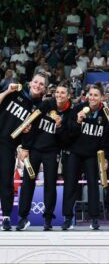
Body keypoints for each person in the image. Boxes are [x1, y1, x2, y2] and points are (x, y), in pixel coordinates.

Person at [16, 82, 72, 231]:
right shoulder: (46, 104)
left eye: (62, 93)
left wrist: (59, 127)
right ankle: (22, 217)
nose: (59, 95)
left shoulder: (69, 113)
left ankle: (48, 219)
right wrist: (25, 147)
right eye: (57, 92)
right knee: (28, 182)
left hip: (52, 152)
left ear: (68, 96)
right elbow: (31, 124)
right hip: (34, 149)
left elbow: (66, 140)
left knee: (50, 185)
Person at [0, 73, 46, 231]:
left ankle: (5, 217)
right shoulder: (16, 91)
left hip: (8, 145)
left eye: (41, 84)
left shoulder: (39, 108)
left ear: (44, 89)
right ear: (30, 82)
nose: (37, 85)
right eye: (36, 82)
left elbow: (30, 134)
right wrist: (6, 92)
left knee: (6, 180)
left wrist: (27, 132)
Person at [62, 84, 109, 230]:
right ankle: (68, 218)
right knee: (70, 184)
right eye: (91, 95)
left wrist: (105, 157)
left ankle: (95, 218)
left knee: (93, 186)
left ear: (102, 97)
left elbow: (107, 138)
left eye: (96, 95)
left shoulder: (106, 113)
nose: (93, 98)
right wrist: (77, 121)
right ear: (87, 96)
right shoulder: (78, 109)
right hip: (75, 152)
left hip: (92, 155)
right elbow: (69, 132)